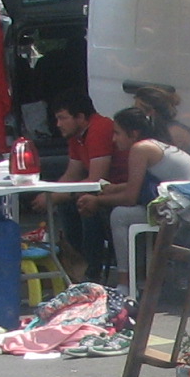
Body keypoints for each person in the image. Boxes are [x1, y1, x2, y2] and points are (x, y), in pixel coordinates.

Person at [82, 97, 190, 286]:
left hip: (186, 211)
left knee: (120, 215)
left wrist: (98, 201)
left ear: (134, 133)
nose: (113, 139)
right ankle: (139, 275)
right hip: (188, 204)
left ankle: (124, 283)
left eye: (117, 133)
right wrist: (114, 189)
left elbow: (131, 198)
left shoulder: (140, 149)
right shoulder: (153, 145)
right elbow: (146, 184)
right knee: (123, 212)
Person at [36, 95, 115, 279]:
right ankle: (76, 264)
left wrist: (54, 196)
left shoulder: (99, 129)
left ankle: (91, 272)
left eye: (62, 118)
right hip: (102, 191)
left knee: (86, 205)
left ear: (80, 117)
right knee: (66, 204)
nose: (58, 124)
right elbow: (72, 174)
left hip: (116, 190)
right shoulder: (76, 135)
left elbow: (96, 181)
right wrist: (49, 194)